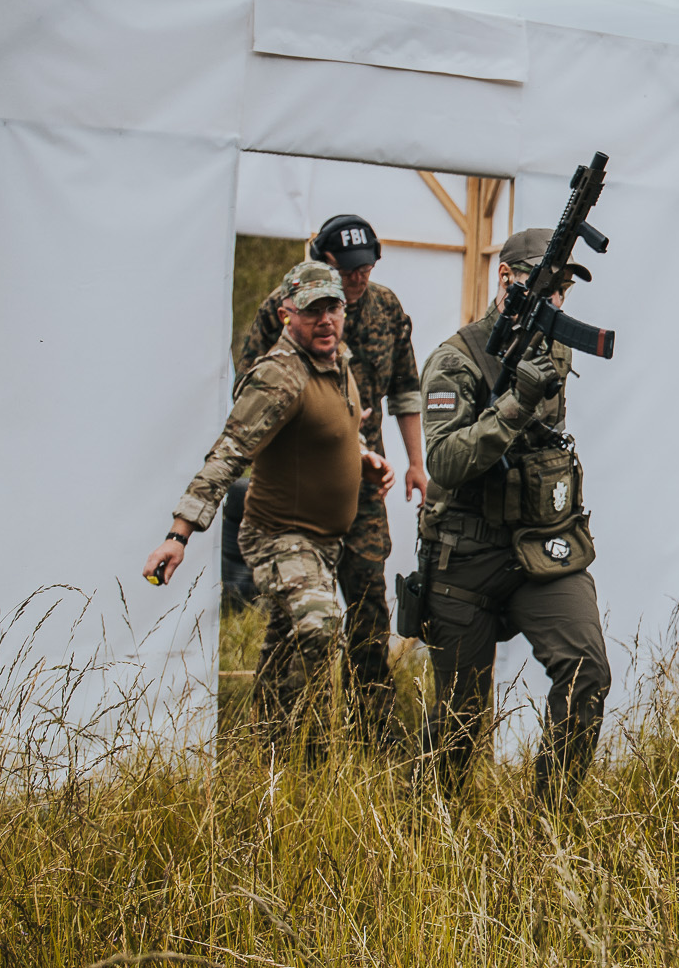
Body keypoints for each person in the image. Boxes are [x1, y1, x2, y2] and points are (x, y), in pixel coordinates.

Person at [148, 261, 393, 744]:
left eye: (333, 308)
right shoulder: (278, 377)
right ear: (287, 315)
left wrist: (362, 457)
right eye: (313, 310)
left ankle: (266, 744)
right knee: (320, 624)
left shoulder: (338, 359)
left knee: (287, 643)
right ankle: (308, 746)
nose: (326, 320)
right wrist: (179, 534)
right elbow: (228, 454)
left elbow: (333, 426)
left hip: (324, 541)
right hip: (280, 536)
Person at [415, 227, 611, 801]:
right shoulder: (455, 359)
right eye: (546, 288)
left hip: (540, 543)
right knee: (461, 720)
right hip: (466, 551)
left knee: (586, 672)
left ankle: (548, 825)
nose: (556, 302)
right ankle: (424, 830)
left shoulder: (555, 348)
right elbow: (444, 462)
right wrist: (513, 403)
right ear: (506, 279)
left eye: (563, 292)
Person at [238, 214, 425, 748]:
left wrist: (415, 463)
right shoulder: (287, 307)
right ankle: (285, 733)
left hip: (363, 482)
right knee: (296, 619)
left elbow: (406, 390)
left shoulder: (387, 309)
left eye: (367, 269)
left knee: (369, 601)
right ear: (323, 261)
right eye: (348, 271)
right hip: (300, 486)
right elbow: (250, 394)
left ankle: (372, 729)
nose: (358, 279)